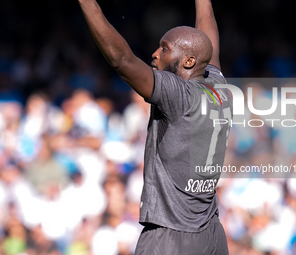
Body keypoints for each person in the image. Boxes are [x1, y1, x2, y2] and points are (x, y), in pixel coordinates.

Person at [78, 0, 232, 254]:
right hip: (211, 234)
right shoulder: (218, 83)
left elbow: (122, 60)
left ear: (189, 62)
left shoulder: (179, 95)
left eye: (165, 49)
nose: (155, 54)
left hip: (171, 236)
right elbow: (208, 40)